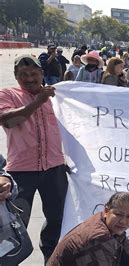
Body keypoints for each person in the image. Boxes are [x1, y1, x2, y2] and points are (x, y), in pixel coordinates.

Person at [0, 55, 69, 263]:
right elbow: (8, 120)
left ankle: (51, 259)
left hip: (55, 169)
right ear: (16, 76)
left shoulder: (58, 97)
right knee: (15, 223)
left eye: (33, 73)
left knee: (57, 220)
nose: (29, 78)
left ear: (41, 74)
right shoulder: (7, 94)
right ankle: (11, 260)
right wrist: (39, 101)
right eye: (23, 75)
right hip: (21, 172)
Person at [47, 192, 129, 266]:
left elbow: (124, 243)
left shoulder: (105, 221)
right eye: (118, 214)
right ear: (106, 211)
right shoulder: (98, 237)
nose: (123, 221)